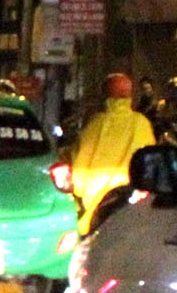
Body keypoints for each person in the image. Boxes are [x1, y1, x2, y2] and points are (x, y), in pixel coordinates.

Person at [67, 71, 157, 233]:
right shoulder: (142, 124)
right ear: (129, 95)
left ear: (104, 96)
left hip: (94, 211)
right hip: (132, 206)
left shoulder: (95, 124)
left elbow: (77, 173)